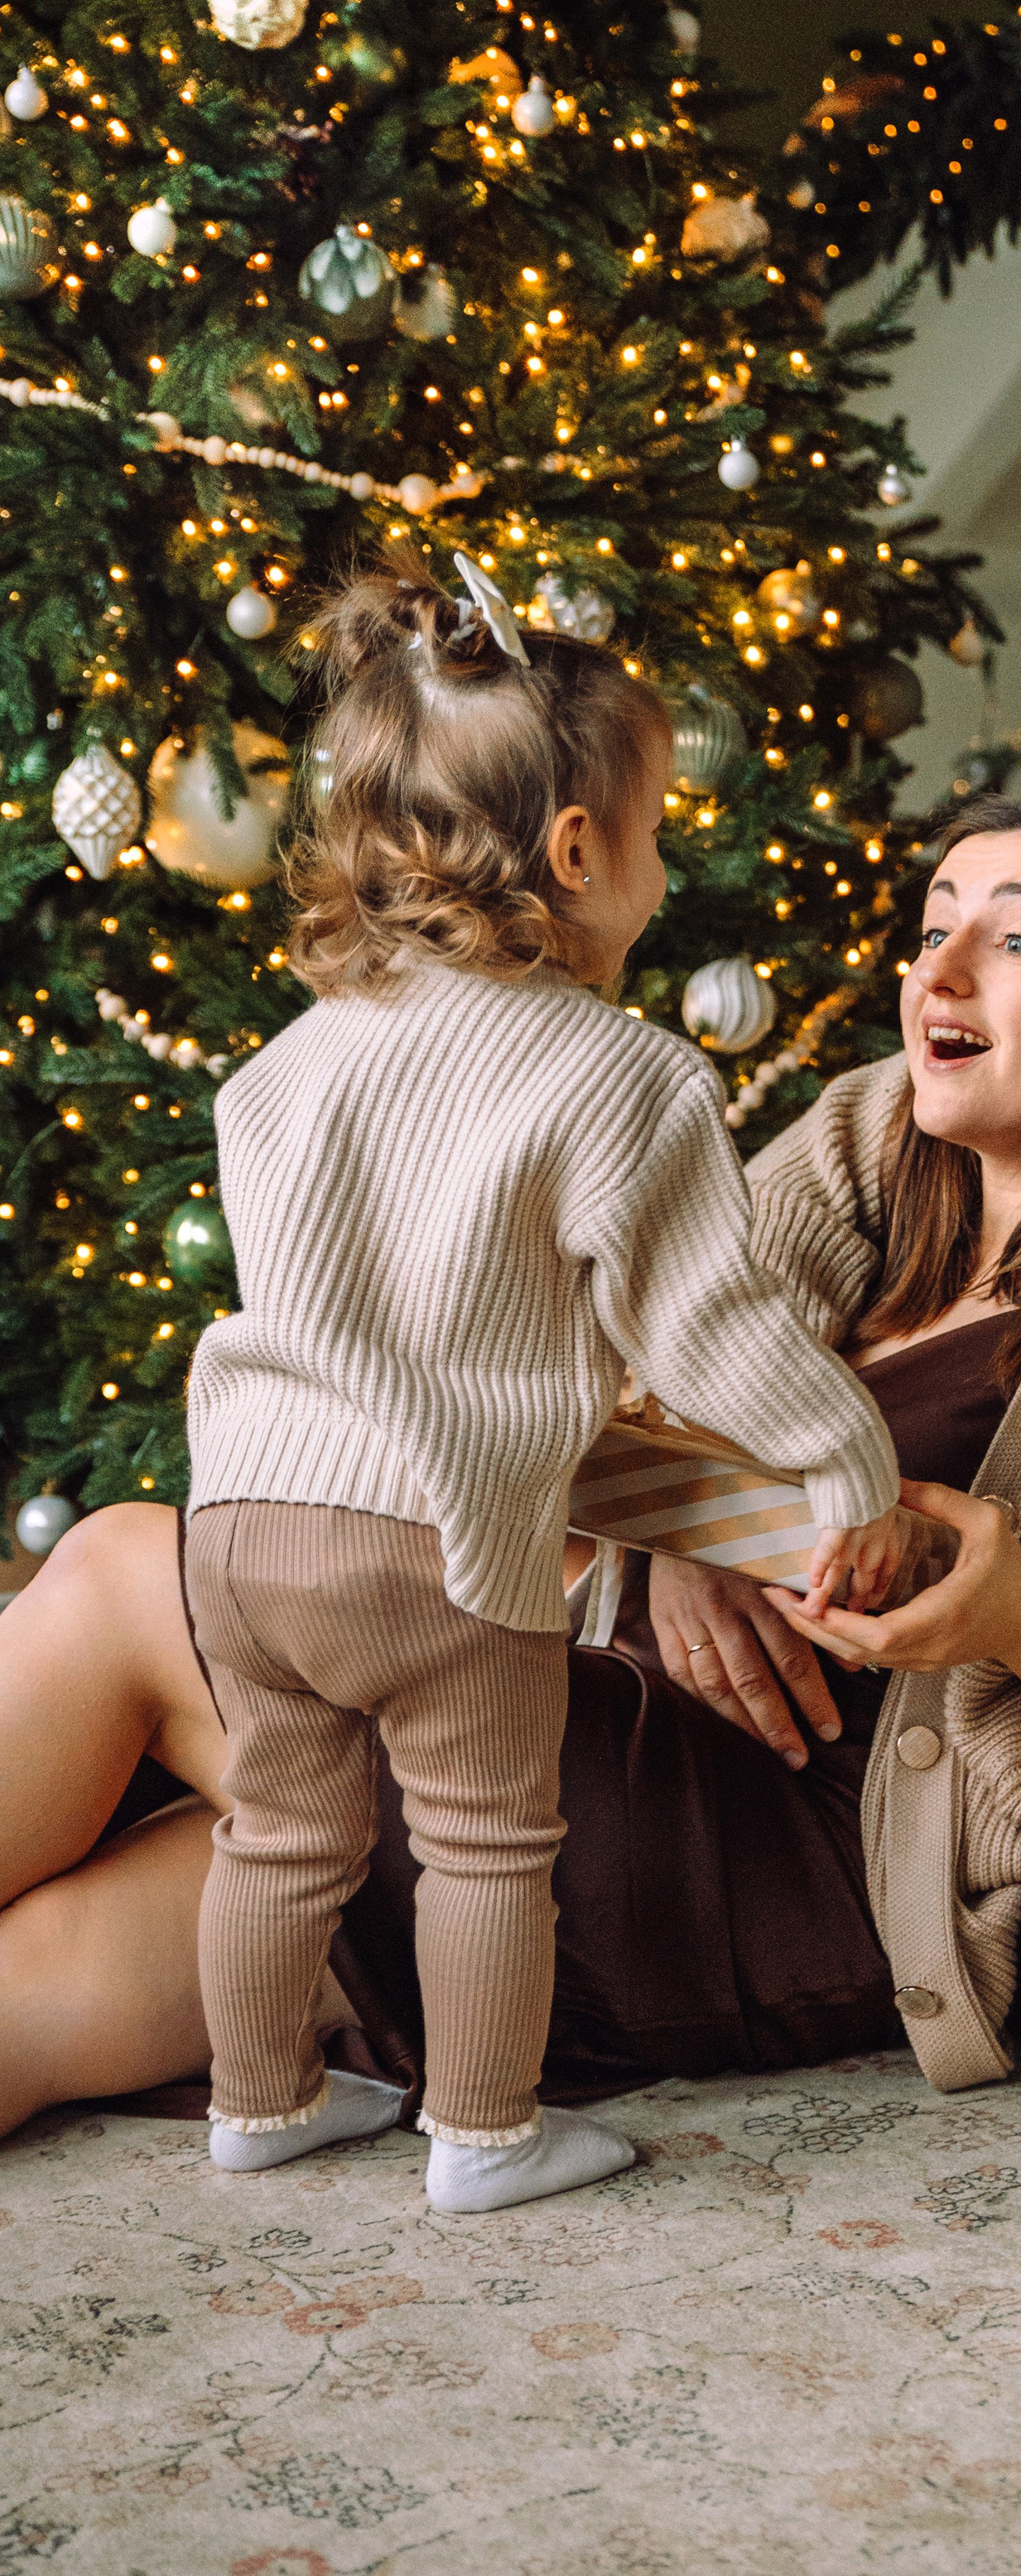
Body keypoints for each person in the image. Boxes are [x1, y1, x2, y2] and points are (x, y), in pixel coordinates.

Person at [0, 786, 1021, 2138]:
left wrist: (1020, 1614)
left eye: (1016, 939)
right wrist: (672, 1536)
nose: (938, 975)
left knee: (133, 1569)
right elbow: (591, 1363)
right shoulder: (876, 1147)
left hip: (777, 1838)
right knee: (39, 1983)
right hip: (566, 1712)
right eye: (934, 925)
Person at [176, 552, 905, 2210]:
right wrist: (837, 1452)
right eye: (657, 831)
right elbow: (702, 1322)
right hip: (431, 1535)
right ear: (580, 853)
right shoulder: (619, 1071)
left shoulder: (285, 1063)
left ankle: (259, 2097)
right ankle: (484, 2132)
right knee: (484, 1839)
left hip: (241, 1514)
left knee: (278, 1830)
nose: (661, 860)